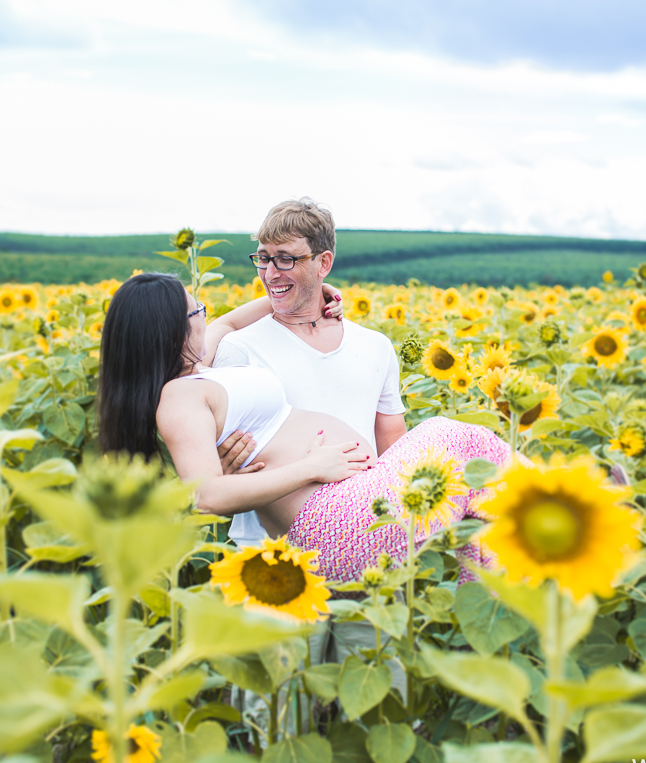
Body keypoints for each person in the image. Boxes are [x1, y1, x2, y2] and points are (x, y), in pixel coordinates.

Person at [96, 272, 510, 578]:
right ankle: (551, 530)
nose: (207, 315)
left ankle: (499, 590)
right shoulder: (177, 399)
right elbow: (205, 494)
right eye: (197, 309)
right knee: (454, 436)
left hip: (350, 505)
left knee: (478, 506)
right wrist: (312, 468)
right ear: (172, 328)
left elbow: (232, 321)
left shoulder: (200, 367)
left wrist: (313, 292)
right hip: (331, 524)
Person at [210, 199, 408, 550]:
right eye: (263, 257)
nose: (271, 273)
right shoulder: (240, 349)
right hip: (268, 547)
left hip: (364, 539)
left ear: (324, 263)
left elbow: (392, 443)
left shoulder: (375, 346)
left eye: (285, 258)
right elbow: (222, 461)